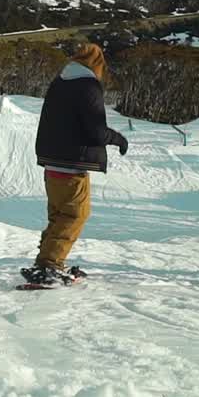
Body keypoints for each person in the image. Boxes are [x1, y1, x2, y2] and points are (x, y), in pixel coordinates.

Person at [23, 43, 128, 286]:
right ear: (97, 64)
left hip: (52, 163)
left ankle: (47, 261)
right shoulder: (88, 86)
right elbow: (95, 132)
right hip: (73, 164)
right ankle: (49, 264)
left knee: (59, 215)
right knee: (75, 214)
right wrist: (118, 139)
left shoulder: (60, 82)